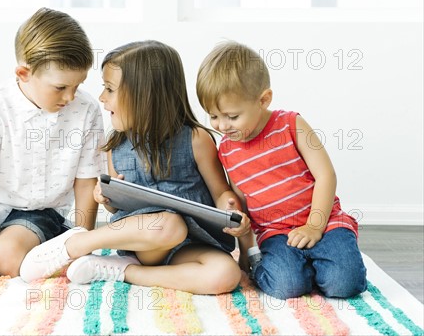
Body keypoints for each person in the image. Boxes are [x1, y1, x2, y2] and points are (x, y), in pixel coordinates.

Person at [19, 41, 251, 295]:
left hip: (190, 246)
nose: (102, 98)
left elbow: (220, 192)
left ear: (144, 96)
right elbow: (115, 207)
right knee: (170, 225)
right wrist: (104, 197)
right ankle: (76, 243)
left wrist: (229, 204)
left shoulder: (196, 139)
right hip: (145, 240)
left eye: (109, 89)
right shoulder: (115, 146)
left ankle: (124, 272)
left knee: (226, 274)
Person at [0, 7, 105, 289]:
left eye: (78, 85)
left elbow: (85, 184)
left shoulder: (85, 110)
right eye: (60, 87)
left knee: (6, 260)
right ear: (24, 73)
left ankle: (7, 241)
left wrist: (81, 242)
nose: (71, 96)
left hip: (39, 209)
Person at [196, 41, 367, 300]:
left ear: (263, 100)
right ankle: (303, 268)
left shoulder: (291, 124)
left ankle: (324, 261)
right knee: (286, 287)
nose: (222, 125)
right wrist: (245, 251)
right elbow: (243, 203)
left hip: (325, 222)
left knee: (345, 284)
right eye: (214, 116)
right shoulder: (227, 150)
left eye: (232, 116)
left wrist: (314, 226)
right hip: (276, 233)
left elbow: (326, 175)